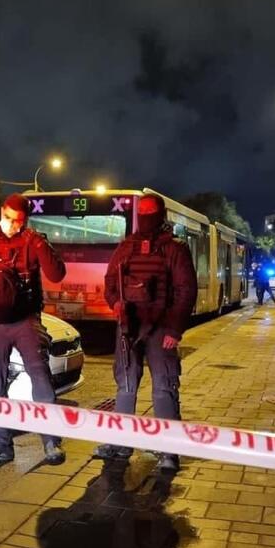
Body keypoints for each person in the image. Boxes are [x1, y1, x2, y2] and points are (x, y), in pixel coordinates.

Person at [0, 193, 67, 466]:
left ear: (26, 220)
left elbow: (57, 274)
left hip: (25, 320)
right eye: (8, 218)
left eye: (18, 221)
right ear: (1, 211)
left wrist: (41, 244)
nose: (12, 225)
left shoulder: (33, 241)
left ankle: (51, 442)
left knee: (39, 376)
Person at [94, 193, 197, 472]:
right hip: (129, 327)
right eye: (144, 212)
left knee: (164, 387)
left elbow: (186, 291)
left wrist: (175, 330)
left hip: (162, 326)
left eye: (151, 213)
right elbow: (110, 283)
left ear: (160, 215)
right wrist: (115, 304)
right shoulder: (127, 247)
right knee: (125, 385)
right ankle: (120, 443)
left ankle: (168, 450)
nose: (147, 218)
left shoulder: (174, 249)